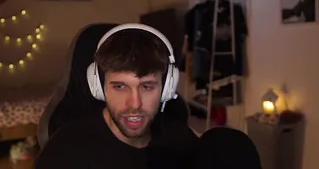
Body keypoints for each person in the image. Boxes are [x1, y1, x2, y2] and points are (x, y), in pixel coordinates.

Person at [36, 25, 261, 169]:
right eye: (120, 86)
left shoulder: (178, 138)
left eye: (147, 86)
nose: (134, 104)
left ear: (166, 88)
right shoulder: (65, 154)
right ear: (99, 87)